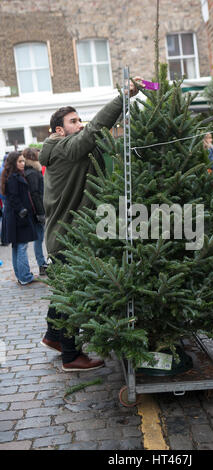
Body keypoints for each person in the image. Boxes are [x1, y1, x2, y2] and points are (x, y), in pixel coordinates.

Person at [39, 77, 143, 372]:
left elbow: (99, 142)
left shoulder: (71, 151)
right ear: (59, 130)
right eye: (74, 121)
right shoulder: (64, 149)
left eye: (79, 119)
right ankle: (71, 357)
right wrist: (123, 97)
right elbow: (96, 130)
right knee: (71, 297)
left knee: (61, 293)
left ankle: (53, 337)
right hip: (67, 239)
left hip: (64, 237)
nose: (80, 124)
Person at [1, 152, 38, 285]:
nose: (23, 163)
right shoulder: (13, 177)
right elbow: (13, 197)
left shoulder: (13, 176)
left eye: (23, 161)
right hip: (18, 217)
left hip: (16, 216)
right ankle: (25, 276)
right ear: (13, 163)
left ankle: (21, 275)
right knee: (21, 246)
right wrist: (22, 210)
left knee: (17, 247)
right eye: (20, 161)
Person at [23, 147, 48, 276]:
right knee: (39, 238)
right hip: (37, 211)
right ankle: (42, 264)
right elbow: (35, 194)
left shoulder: (31, 171)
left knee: (39, 238)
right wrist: (40, 213)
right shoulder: (32, 172)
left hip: (36, 210)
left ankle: (42, 262)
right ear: (33, 157)